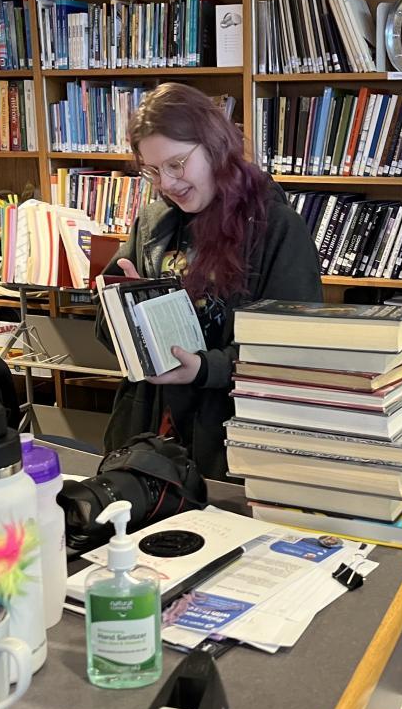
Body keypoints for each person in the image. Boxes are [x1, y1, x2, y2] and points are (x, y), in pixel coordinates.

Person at [97, 83, 322, 480]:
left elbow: (293, 352)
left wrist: (204, 368)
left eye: (176, 164)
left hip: (232, 440)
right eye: (153, 171)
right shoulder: (153, 224)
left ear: (215, 147)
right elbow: (105, 330)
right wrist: (122, 308)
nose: (167, 183)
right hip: (149, 433)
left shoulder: (276, 228)